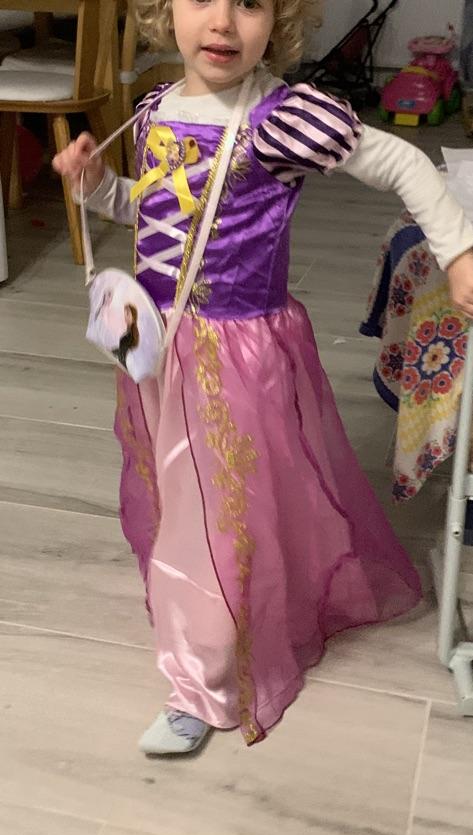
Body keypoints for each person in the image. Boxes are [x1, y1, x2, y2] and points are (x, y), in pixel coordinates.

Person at [53, 0, 473, 758]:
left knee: (219, 506)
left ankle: (202, 682)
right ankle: (217, 603)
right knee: (191, 493)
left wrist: (458, 251)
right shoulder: (154, 106)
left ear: (279, 18)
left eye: (248, 2)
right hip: (157, 346)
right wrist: (94, 187)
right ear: (163, 9)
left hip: (236, 356)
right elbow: (144, 211)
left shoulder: (281, 119)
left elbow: (404, 162)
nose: (222, 21)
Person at [112, 303, 140, 370]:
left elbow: (123, 352)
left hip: (126, 366)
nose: (124, 316)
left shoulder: (130, 336)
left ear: (133, 317)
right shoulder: (126, 333)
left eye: (127, 313)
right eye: (124, 313)